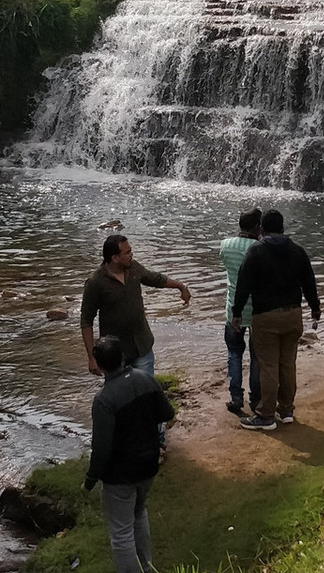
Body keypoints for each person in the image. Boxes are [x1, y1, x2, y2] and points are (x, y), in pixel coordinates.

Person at [81, 234, 190, 453]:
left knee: (148, 394)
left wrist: (180, 286)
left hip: (142, 345)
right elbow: (86, 320)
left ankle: (156, 440)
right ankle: (123, 441)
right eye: (127, 252)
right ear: (114, 257)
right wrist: (92, 357)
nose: (132, 255)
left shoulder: (133, 269)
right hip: (114, 354)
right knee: (119, 399)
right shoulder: (96, 282)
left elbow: (155, 278)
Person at [83, 335, 175, 573]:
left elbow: (101, 449)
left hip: (120, 477)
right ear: (123, 357)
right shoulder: (145, 379)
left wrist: (91, 479)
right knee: (139, 514)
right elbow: (167, 413)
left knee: (121, 534)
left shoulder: (104, 400)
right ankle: (147, 566)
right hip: (148, 468)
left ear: (99, 365)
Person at [232, 209, 320, 431]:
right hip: (293, 314)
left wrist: (237, 312)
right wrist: (315, 309)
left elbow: (243, 285)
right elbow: (309, 283)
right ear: (283, 227)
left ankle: (266, 415)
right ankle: (287, 409)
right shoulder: (298, 251)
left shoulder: (256, 252)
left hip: (266, 316)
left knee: (269, 366)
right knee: (288, 363)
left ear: (262, 228)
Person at [219, 208, 262, 415]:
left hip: (232, 308)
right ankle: (255, 399)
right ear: (257, 227)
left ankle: (236, 398)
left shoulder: (226, 245)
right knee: (256, 357)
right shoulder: (259, 248)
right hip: (257, 310)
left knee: (234, 354)